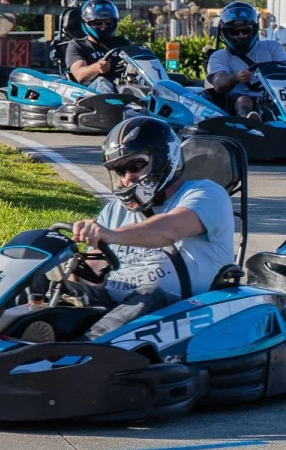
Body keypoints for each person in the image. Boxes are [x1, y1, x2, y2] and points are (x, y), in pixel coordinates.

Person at [69, 116, 235, 341]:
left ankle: (85, 349)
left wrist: (111, 235)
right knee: (50, 287)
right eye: (120, 170)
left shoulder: (207, 193)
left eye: (135, 165)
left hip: (178, 311)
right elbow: (94, 272)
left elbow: (170, 230)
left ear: (163, 159)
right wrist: (72, 278)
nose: (128, 177)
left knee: (149, 292)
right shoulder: (114, 211)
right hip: (114, 303)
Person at [206, 1, 286, 123]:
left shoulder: (272, 47)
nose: (241, 35)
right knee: (243, 101)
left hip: (274, 97)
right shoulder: (219, 56)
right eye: (235, 32)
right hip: (237, 102)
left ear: (254, 29)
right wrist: (235, 77)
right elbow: (218, 84)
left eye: (246, 31)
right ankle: (250, 123)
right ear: (226, 33)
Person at [62, 0, 131, 93]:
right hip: (91, 92)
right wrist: (97, 68)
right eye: (98, 23)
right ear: (87, 23)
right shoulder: (78, 45)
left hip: (122, 86)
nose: (104, 27)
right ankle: (111, 106)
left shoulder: (122, 43)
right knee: (102, 82)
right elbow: (79, 75)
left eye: (108, 23)